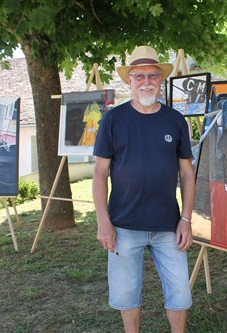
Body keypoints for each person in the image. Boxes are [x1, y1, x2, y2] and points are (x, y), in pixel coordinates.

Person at [92, 45, 195, 333]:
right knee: (126, 295)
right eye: (139, 76)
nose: (146, 81)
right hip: (123, 225)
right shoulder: (113, 119)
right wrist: (103, 221)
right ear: (130, 80)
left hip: (168, 225)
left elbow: (187, 173)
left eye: (153, 75)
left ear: (161, 80)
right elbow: (100, 172)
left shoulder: (175, 120)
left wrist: (186, 219)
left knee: (180, 295)